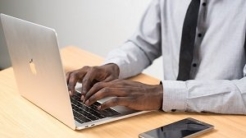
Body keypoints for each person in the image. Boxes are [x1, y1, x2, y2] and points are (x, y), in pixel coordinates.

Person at [66, 0, 246, 114]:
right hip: (168, 115)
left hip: (225, 120)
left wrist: (161, 94)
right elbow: (143, 44)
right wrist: (114, 66)